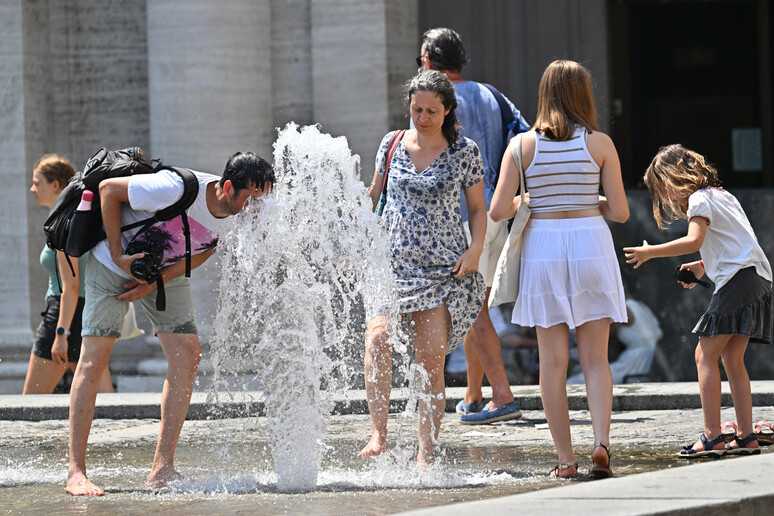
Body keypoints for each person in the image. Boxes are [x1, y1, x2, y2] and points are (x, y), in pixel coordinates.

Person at [65, 151, 275, 496]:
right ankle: (76, 472)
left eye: (263, 200)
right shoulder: (174, 188)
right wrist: (118, 255)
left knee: (188, 355)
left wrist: (155, 280)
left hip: (162, 270)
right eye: (251, 198)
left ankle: (162, 468)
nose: (257, 208)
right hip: (110, 261)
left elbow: (207, 248)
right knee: (95, 358)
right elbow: (108, 191)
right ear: (226, 188)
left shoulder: (240, 217)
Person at [490, 60, 629, 478]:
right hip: (590, 240)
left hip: (544, 246)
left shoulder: (520, 146)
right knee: (595, 359)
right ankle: (601, 444)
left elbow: (498, 210)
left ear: (544, 94)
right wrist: (592, 203)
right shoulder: (600, 143)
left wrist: (527, 203)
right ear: (583, 94)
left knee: (552, 363)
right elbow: (620, 212)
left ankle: (566, 461)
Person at [361, 69, 487, 465]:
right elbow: (374, 195)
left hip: (440, 269)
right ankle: (378, 434)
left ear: (448, 110)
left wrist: (476, 250)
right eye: (417, 109)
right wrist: (355, 237)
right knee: (377, 340)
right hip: (392, 264)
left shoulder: (464, 151)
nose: (423, 117)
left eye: (432, 110)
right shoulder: (392, 143)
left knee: (429, 360)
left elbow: (479, 209)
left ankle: (425, 450)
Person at [624, 144, 771, 458]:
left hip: (738, 282)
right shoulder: (723, 195)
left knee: (704, 356)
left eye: (664, 190)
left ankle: (712, 436)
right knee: (732, 360)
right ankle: (746, 436)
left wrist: (651, 252)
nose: (668, 199)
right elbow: (737, 244)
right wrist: (701, 266)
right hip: (756, 278)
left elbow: (694, 240)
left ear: (674, 179)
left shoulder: (698, 199)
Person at [418, 27, 527, 424]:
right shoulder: (493, 96)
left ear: (428, 60)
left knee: (472, 309)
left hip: (457, 221)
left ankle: (502, 394)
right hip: (495, 212)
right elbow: (525, 138)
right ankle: (474, 393)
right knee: (473, 302)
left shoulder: (430, 101)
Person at [24, 154, 114, 395]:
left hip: (64, 316)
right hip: (85, 313)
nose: (32, 189)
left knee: (29, 407)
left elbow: (70, 286)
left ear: (55, 185)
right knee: (105, 402)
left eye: (37, 182)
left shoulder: (65, 220)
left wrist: (61, 332)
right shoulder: (76, 216)